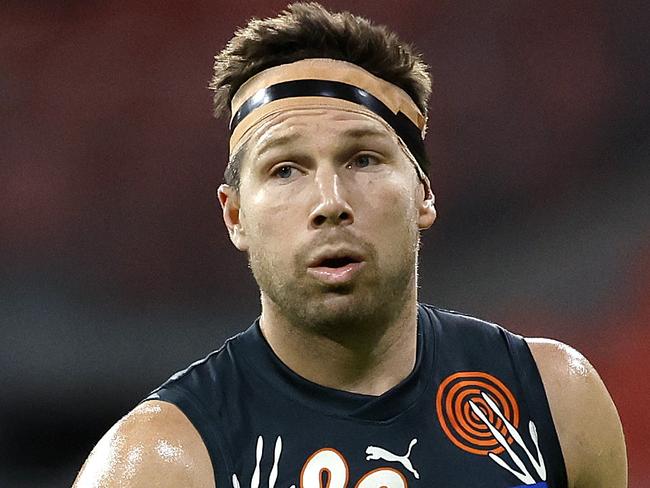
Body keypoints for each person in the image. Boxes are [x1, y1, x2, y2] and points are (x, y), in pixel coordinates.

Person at [73, 3, 627, 487]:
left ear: (424, 196)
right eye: (286, 169)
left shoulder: (553, 402)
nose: (330, 201)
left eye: (363, 159)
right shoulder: (160, 462)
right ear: (236, 215)